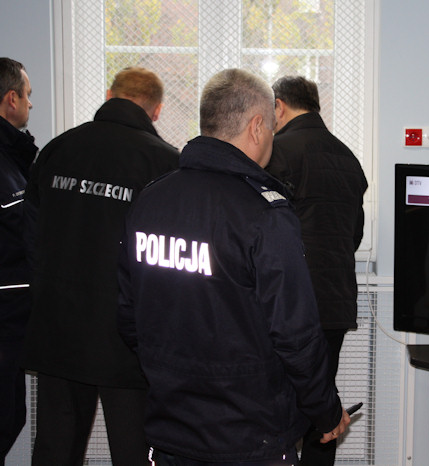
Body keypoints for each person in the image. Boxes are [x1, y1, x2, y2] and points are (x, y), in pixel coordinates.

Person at [116, 68, 351, 465]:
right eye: (272, 130)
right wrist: (325, 410)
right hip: (250, 434)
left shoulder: (150, 200)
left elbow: (128, 314)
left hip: (171, 426)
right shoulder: (264, 214)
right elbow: (295, 335)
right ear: (257, 127)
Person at [22, 66, 179, 465]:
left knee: (56, 448)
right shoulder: (164, 163)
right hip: (125, 338)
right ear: (156, 110)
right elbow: (168, 258)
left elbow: (31, 236)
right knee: (134, 450)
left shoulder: (57, 149)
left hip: (58, 327)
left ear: (109, 96)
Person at [266, 75, 367, 466]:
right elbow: (353, 236)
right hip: (334, 304)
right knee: (322, 409)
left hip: (288, 304)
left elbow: (266, 231)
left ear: (279, 106)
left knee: (272, 408)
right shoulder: (348, 158)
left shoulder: (278, 152)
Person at [0, 57, 37, 465]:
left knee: (12, 417)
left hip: (13, 323)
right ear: (11, 99)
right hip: (4, 319)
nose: (30, 104)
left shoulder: (14, 158)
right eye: (27, 95)